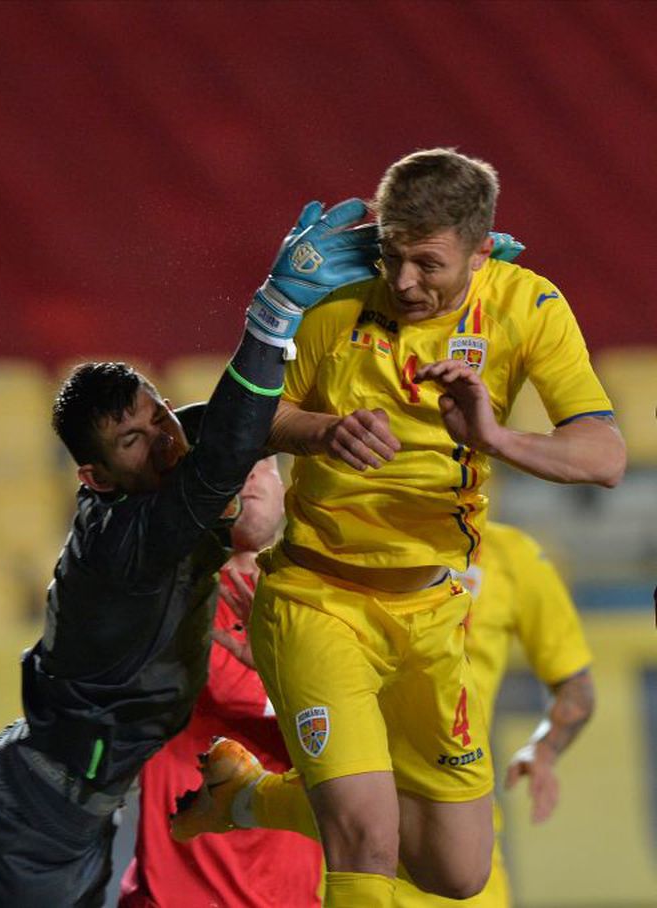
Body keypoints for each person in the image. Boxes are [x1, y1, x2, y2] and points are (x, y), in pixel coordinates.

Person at [172, 147, 625, 907]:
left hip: (432, 608)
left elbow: (604, 456)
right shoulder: (340, 299)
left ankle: (246, 798)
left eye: (427, 263)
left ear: (481, 252)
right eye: (391, 256)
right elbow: (243, 423)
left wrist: (495, 437)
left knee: (457, 871)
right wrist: (320, 431)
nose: (405, 281)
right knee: (366, 840)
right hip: (319, 599)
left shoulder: (527, 307)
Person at [0, 197, 381, 907]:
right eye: (133, 440)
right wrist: (276, 310)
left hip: (56, 813)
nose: (162, 442)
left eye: (157, 415)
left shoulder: (149, 484)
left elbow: (220, 424)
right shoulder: (132, 541)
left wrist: (396, 315)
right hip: (26, 826)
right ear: (95, 477)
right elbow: (223, 448)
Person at [118, 453, 325, 908]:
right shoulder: (172, 596)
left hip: (291, 897)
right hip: (180, 897)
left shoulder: (318, 603)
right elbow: (235, 696)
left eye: (263, 462)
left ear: (285, 486)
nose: (250, 473)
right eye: (238, 458)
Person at [393, 520, 595, 907]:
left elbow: (576, 686)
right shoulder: (352, 545)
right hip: (341, 839)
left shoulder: (513, 556)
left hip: (459, 838)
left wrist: (544, 749)